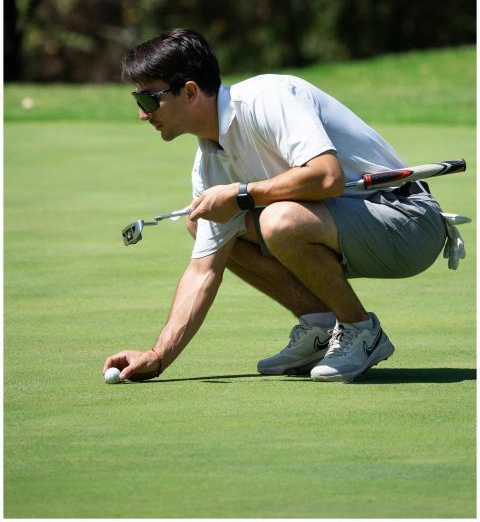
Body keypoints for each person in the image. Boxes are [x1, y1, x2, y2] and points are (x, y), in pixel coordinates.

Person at [103, 28, 447, 384]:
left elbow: (326, 177)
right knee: (203, 222)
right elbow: (203, 272)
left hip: (409, 221)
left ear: (189, 92)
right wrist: (159, 355)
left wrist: (241, 195)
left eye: (149, 100)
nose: (143, 114)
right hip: (354, 228)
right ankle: (320, 327)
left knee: (278, 220)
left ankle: (362, 331)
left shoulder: (267, 98)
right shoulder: (208, 163)